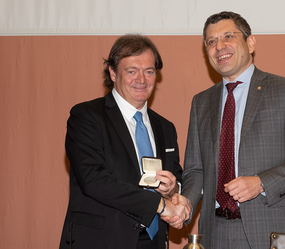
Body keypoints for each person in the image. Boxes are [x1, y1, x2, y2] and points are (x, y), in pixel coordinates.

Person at [180, 11, 285, 249]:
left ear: (250, 42)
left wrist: (261, 183)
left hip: (269, 230)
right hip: (214, 233)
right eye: (211, 41)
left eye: (228, 36)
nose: (219, 47)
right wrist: (185, 203)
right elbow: (196, 170)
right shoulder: (201, 102)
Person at [59, 34, 189, 249]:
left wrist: (173, 191)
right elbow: (93, 179)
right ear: (113, 73)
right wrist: (160, 205)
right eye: (131, 71)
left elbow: (177, 174)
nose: (142, 79)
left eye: (149, 71)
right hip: (103, 240)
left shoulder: (165, 127)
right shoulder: (86, 116)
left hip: (153, 241)